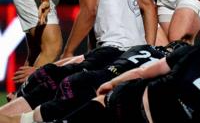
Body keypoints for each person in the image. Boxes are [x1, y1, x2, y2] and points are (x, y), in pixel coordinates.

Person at [57, 27, 200, 123]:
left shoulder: (197, 51)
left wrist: (112, 83)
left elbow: (144, 71)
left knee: (103, 101)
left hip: (136, 102)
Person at [0, 42, 187, 123]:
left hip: (69, 77)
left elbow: (75, 60)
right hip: (94, 91)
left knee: (21, 119)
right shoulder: (164, 69)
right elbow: (140, 74)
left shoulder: (137, 47)